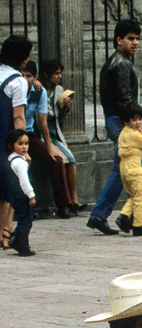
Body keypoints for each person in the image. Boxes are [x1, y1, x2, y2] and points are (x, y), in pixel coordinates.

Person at [87, 19, 142, 235]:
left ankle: (134, 215)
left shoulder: (117, 61)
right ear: (119, 40)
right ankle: (112, 215)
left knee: (134, 170)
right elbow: (126, 98)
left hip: (117, 120)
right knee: (126, 170)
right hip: (121, 121)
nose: (135, 43)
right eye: (130, 38)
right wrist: (134, 124)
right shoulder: (122, 63)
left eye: (137, 38)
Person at [23, 60, 74, 219]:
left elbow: (43, 122)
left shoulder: (38, 92)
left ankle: (64, 205)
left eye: (29, 76)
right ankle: (25, 208)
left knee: (57, 160)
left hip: (30, 136)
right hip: (11, 136)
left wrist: (49, 147)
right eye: (22, 75)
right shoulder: (11, 88)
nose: (25, 79)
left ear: (36, 77)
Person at [38, 59, 84, 215]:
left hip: (54, 132)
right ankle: (66, 201)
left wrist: (66, 107)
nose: (59, 77)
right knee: (61, 160)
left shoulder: (59, 90)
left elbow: (60, 117)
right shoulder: (39, 90)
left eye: (60, 73)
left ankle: (74, 199)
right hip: (42, 134)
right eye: (56, 73)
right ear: (46, 74)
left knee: (71, 159)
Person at [0, 34, 31, 249]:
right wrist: (23, 148)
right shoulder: (18, 81)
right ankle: (4, 231)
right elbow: (19, 117)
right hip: (5, 138)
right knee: (8, 186)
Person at [115, 104, 142, 236]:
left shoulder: (124, 133)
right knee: (140, 198)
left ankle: (123, 216)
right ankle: (138, 225)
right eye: (134, 119)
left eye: (139, 119)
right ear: (126, 121)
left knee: (134, 196)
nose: (138, 122)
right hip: (134, 169)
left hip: (124, 169)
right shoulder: (135, 135)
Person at [5, 128, 36, 256]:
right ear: (11, 145)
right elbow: (24, 182)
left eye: (26, 144)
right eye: (20, 144)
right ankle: (22, 245)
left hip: (14, 195)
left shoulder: (11, 159)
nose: (24, 147)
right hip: (21, 195)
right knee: (26, 220)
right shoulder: (19, 162)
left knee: (24, 218)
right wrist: (31, 196)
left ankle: (16, 240)